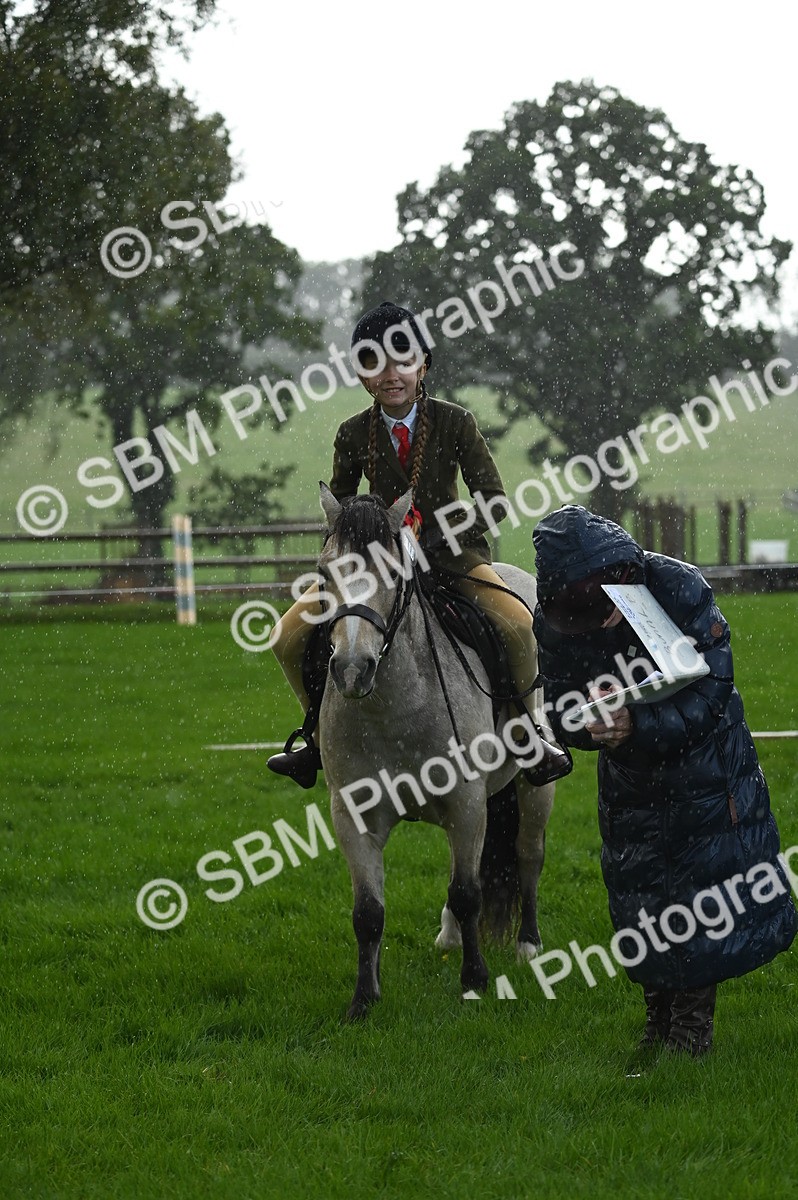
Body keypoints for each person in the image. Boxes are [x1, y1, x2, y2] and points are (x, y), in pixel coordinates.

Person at [267, 300, 571, 790]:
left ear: (423, 364)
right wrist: (371, 537)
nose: (391, 374)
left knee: (517, 623)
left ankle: (530, 731)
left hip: (453, 558)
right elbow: (342, 507)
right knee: (285, 635)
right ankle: (316, 736)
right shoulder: (351, 433)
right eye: (375, 364)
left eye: (403, 359)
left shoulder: (456, 422)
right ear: (363, 377)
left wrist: (432, 535)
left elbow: (493, 501)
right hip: (374, 568)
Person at [532, 504, 796, 1056]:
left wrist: (639, 723)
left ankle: (691, 1030)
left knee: (700, 891)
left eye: (598, 605)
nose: (594, 620)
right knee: (640, 889)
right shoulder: (556, 616)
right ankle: (657, 1018)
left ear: (618, 576)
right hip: (629, 778)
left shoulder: (678, 587)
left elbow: (712, 689)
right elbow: (557, 707)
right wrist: (590, 724)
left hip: (704, 768)